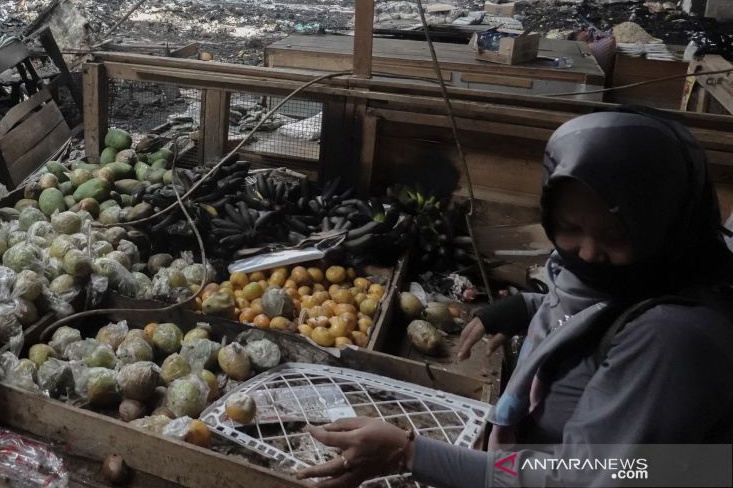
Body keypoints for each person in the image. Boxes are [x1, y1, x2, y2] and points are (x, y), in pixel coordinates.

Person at [297, 111, 733, 487]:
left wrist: (410, 455)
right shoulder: (624, 278)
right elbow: (593, 314)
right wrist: (527, 308)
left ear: (666, 224)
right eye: (569, 226)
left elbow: (593, 477)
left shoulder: (675, 340)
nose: (587, 253)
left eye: (616, 234)